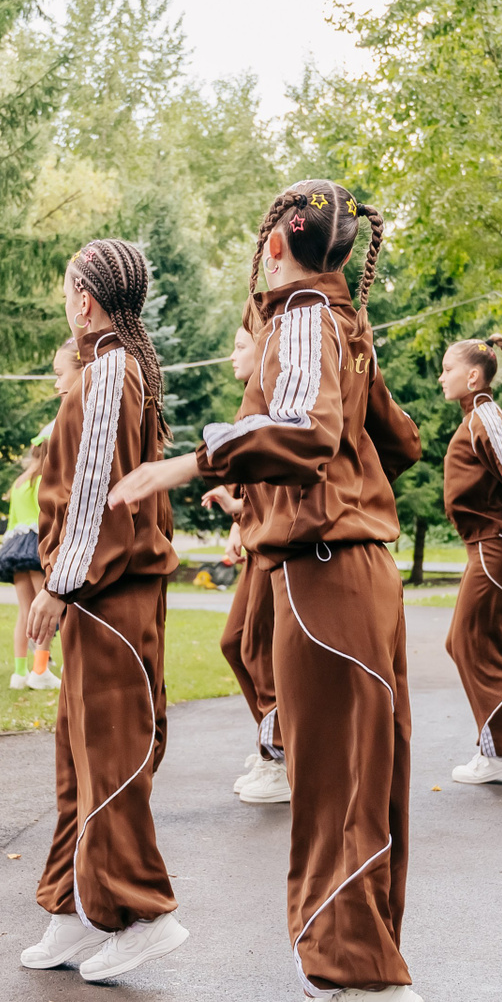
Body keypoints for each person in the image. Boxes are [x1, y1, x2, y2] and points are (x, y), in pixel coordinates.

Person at [109, 181, 426, 1002]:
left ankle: (356, 978)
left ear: (278, 243)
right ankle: (357, 972)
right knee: (354, 778)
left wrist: (190, 462)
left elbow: (307, 430)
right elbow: (395, 442)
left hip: (325, 574)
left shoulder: (301, 318)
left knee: (335, 786)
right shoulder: (341, 322)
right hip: (344, 571)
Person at [20, 239, 186, 982]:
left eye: (67, 289)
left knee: (111, 760)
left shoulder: (109, 371)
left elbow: (92, 493)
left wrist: (58, 585)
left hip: (108, 593)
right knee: (78, 757)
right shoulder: (114, 367)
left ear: (84, 299)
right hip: (104, 593)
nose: (65, 300)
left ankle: (143, 912)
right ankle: (71, 905)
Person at [439, 335, 502, 785]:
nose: (441, 377)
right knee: (464, 639)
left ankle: (500, 747)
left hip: (496, 545)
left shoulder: (485, 417)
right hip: (481, 547)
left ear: (472, 376)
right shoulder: (473, 419)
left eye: (447, 369)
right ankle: (499, 743)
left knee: (469, 638)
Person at [202, 321, 290, 806]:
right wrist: (237, 512)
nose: (232, 355)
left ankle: (281, 754)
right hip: (256, 538)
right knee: (235, 642)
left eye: (240, 346)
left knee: (256, 647)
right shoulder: (251, 401)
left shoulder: (276, 399)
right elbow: (256, 486)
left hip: (274, 545)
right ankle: (272, 743)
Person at [0, 424, 60, 691]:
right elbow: (49, 518)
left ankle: (19, 673)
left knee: (25, 611)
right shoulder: (45, 481)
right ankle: (40, 670)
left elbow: (13, 522)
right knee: (45, 611)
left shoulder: (19, 482)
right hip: (38, 547)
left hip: (16, 549)